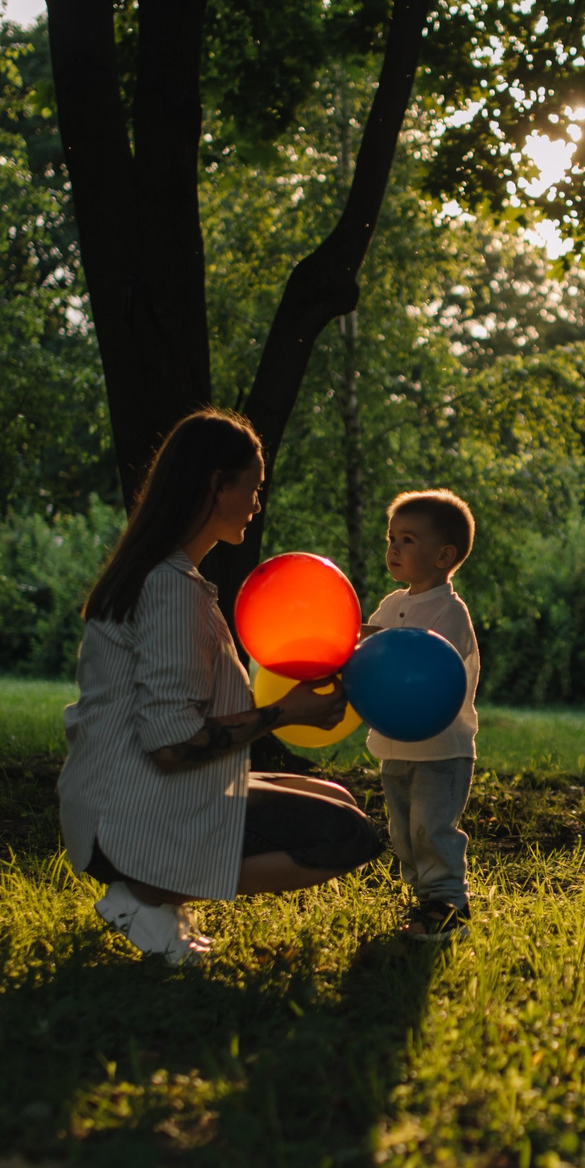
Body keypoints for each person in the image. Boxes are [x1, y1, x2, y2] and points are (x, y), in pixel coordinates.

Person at [57, 410, 385, 965]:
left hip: (123, 800)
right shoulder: (169, 590)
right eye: (253, 488)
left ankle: (150, 892)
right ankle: (145, 894)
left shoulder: (168, 578)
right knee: (348, 835)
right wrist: (283, 712)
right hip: (130, 817)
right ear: (216, 484)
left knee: (338, 797)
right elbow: (172, 745)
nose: (257, 504)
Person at [363, 488, 481, 938]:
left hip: (440, 749)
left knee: (431, 828)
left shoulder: (451, 612)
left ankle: (448, 903)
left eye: (407, 539)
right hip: (394, 744)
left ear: (443, 555)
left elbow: (418, 659)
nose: (393, 547)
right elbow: (372, 646)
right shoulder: (393, 604)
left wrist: (376, 645)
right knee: (404, 832)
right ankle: (424, 899)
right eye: (391, 538)